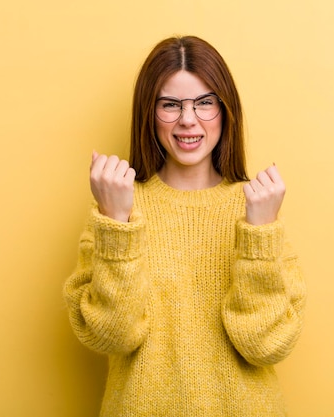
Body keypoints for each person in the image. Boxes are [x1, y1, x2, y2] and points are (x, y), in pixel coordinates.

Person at [63, 35, 306, 417]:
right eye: (170, 105)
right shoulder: (118, 207)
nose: (188, 119)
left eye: (205, 103)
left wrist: (259, 236)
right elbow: (112, 335)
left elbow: (266, 345)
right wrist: (116, 223)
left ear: (226, 110)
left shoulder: (258, 207)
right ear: (148, 112)